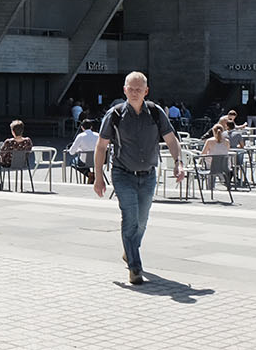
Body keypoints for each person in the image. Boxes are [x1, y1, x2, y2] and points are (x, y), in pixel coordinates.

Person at [93, 72, 182, 285]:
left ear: (146, 91)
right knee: (130, 218)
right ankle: (135, 267)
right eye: (130, 89)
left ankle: (129, 248)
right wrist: (98, 177)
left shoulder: (155, 112)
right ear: (124, 90)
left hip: (148, 175)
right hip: (123, 174)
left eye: (138, 89)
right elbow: (101, 146)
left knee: (142, 221)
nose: (134, 93)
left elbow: (171, 139)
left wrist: (178, 162)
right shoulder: (114, 115)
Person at [0, 119, 34, 191]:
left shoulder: (8, 142)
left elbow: (2, 153)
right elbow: (29, 150)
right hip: (22, 163)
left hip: (8, 163)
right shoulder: (28, 141)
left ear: (13, 132)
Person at [66, 119, 100, 183]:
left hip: (84, 160)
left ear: (82, 127)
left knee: (73, 162)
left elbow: (71, 152)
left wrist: (79, 150)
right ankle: (91, 175)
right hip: (97, 159)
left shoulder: (80, 136)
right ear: (91, 127)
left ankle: (88, 174)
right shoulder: (98, 135)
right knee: (86, 160)